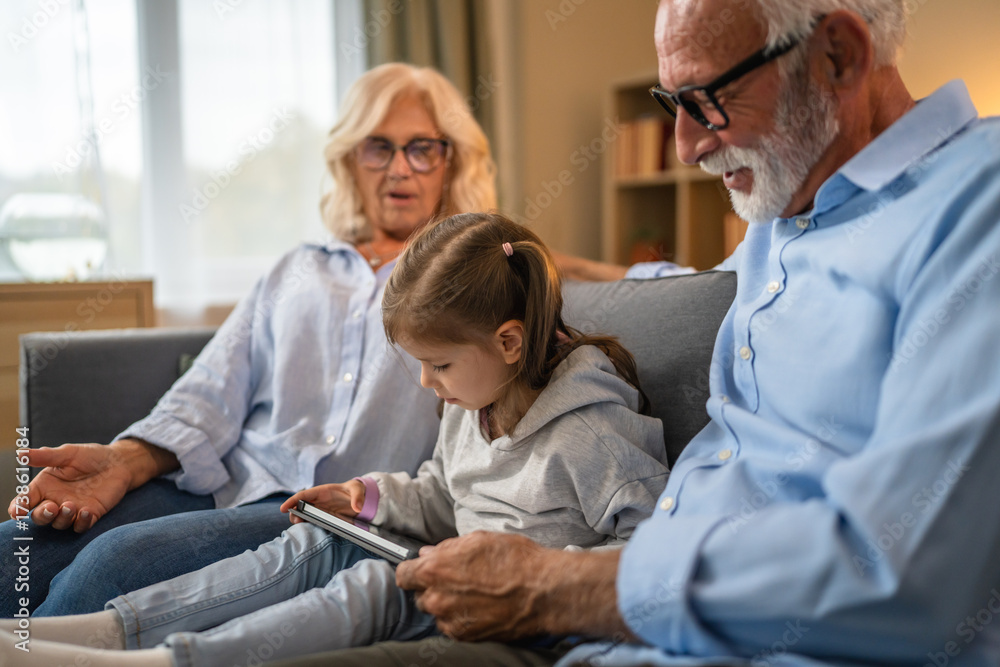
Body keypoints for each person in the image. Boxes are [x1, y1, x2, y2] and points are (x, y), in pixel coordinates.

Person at [269, 1, 999, 665]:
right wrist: (533, 265)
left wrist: (558, 586)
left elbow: (910, 570)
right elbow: (689, 284)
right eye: (669, 103)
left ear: (837, 56)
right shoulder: (789, 215)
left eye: (705, 100)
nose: (683, 146)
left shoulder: (975, 212)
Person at [2, 212, 670, 666]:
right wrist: (366, 497)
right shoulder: (477, 396)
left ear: (509, 341)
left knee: (375, 588)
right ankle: (107, 631)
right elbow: (444, 488)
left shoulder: (591, 429)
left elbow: (654, 555)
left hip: (520, 610)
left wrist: (541, 578)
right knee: (320, 539)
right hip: (454, 565)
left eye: (437, 364)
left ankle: (163, 659)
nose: (425, 381)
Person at [1, 62, 498, 617]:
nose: (399, 168)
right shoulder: (298, 267)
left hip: (336, 513)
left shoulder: (472, 285)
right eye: (378, 147)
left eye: (422, 148)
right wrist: (123, 460)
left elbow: (533, 272)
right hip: (228, 483)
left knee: (114, 563)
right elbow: (211, 389)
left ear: (450, 158)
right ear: (351, 160)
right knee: (16, 546)